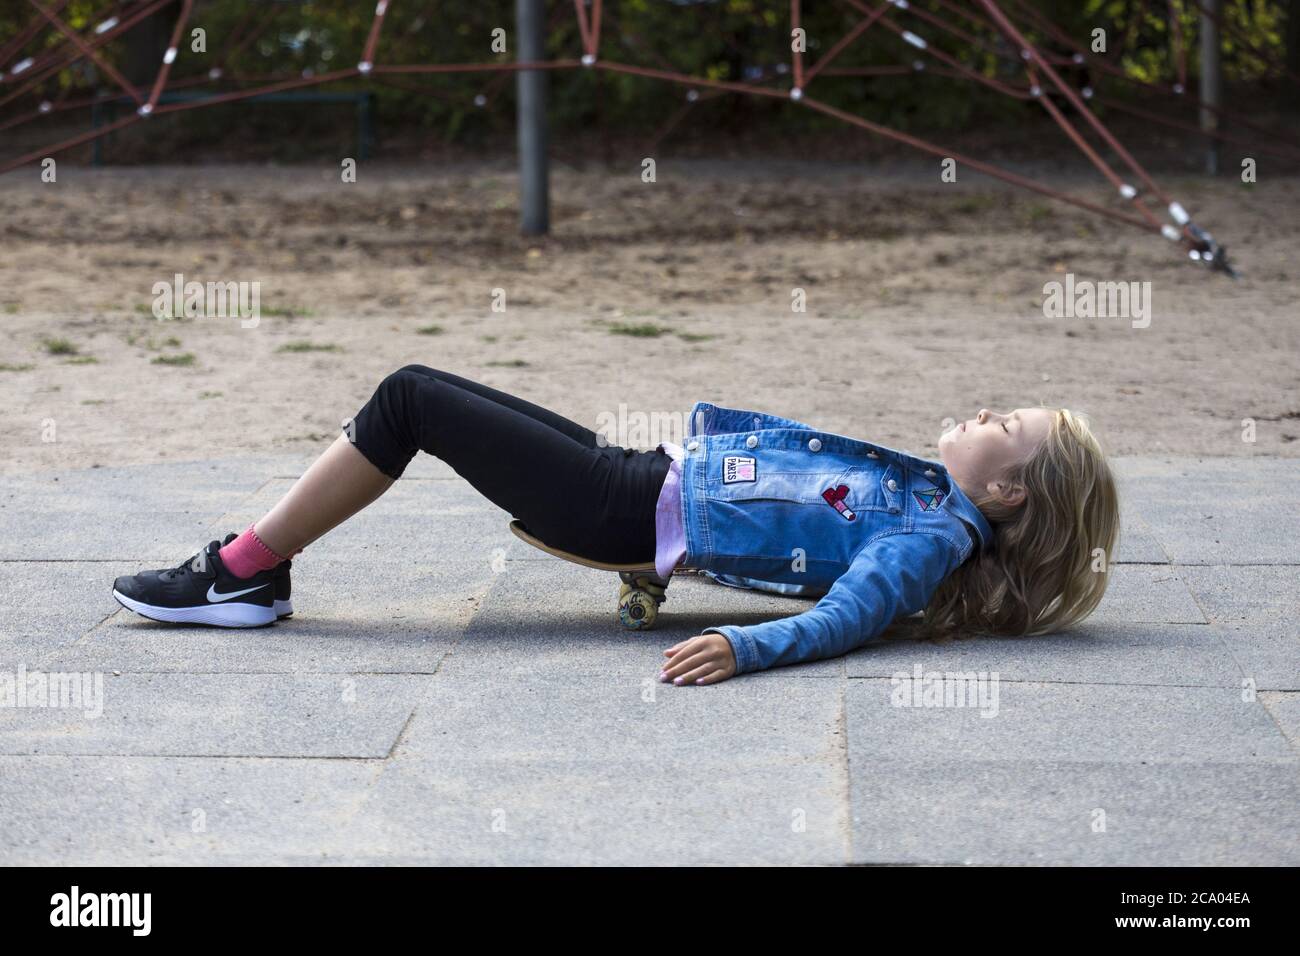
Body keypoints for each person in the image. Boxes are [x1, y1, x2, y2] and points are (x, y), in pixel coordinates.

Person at [111, 364, 1120, 686]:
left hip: (622, 503)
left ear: (1009, 495)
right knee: (419, 392)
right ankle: (250, 569)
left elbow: (850, 614)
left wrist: (746, 644)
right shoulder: (934, 505)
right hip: (640, 480)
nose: (984, 415)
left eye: (1004, 428)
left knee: (410, 398)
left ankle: (242, 570)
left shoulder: (930, 536)